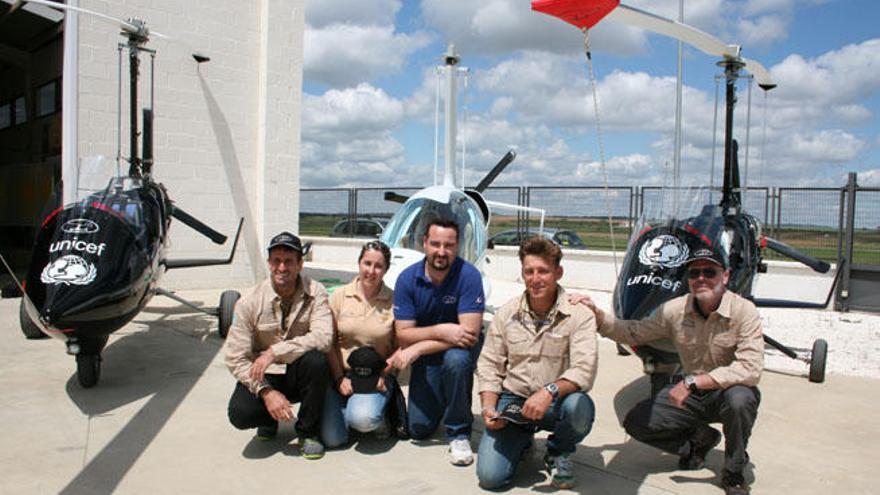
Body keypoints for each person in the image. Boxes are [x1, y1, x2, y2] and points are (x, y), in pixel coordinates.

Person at [587, 247, 763, 495]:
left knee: (740, 400)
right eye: (694, 273)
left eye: (709, 272)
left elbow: (750, 368)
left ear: (725, 276)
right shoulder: (674, 310)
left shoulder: (744, 311)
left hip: (725, 390)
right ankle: (698, 440)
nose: (701, 278)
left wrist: (693, 382)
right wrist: (597, 316)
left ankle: (733, 470)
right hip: (693, 395)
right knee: (637, 422)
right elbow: (634, 331)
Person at [475, 236, 597, 489]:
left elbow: (584, 370)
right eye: (529, 271)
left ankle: (558, 452)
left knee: (580, 408)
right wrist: (488, 407)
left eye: (543, 271)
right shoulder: (506, 314)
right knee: (490, 478)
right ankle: (521, 438)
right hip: (514, 401)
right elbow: (489, 365)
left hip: (556, 402)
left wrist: (549, 391)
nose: (535, 278)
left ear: (558, 272)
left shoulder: (580, 315)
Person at [224, 232, 332, 460]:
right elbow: (236, 358)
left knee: (318, 361)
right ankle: (269, 418)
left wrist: (274, 352)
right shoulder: (248, 302)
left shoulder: (317, 292)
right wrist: (266, 391)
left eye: (289, 261)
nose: (282, 267)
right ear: (269, 263)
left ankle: (308, 432)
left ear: (300, 264)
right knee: (240, 414)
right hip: (264, 375)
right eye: (276, 261)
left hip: (296, 371)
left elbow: (324, 337)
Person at [393, 217, 485, 466]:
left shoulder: (469, 276)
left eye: (449, 245)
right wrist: (442, 331)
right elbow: (403, 334)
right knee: (419, 429)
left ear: (457, 246)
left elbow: (469, 335)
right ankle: (448, 400)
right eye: (435, 244)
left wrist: (420, 345)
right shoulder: (407, 279)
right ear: (424, 243)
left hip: (460, 350)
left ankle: (459, 432)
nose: (441, 252)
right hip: (429, 355)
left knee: (456, 361)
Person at [321, 241, 401, 447]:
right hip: (343, 374)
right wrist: (339, 378)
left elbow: (401, 346)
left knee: (362, 419)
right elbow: (328, 342)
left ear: (386, 270)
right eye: (367, 263)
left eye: (378, 266)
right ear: (359, 264)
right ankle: (355, 406)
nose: (371, 271)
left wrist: (385, 373)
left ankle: (380, 413)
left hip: (376, 375)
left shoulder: (394, 300)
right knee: (333, 439)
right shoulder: (339, 297)